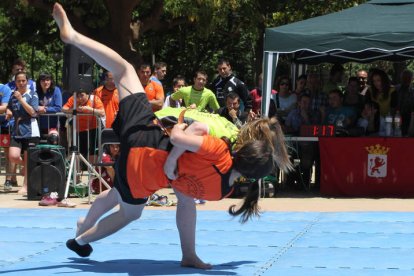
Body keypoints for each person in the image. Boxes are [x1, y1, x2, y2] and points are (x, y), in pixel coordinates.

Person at [52, 2, 292, 269]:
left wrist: (172, 158)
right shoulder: (221, 191)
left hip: (146, 138)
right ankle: (84, 236)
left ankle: (73, 37)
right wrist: (173, 165)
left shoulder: (222, 146)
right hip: (140, 172)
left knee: (124, 70)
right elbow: (185, 191)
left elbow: (185, 135)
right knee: (129, 210)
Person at [6, 72, 40, 195]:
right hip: (17, 129)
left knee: (27, 156)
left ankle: (25, 186)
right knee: (13, 156)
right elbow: (9, 106)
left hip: (30, 129)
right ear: (15, 82)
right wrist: (9, 112)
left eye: (23, 81)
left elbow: (33, 112)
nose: (21, 83)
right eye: (18, 81)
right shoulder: (13, 95)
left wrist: (21, 99)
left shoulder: (33, 94)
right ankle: (26, 166)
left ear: (27, 81)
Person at [62, 89, 105, 165]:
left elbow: (102, 112)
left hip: (93, 129)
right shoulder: (73, 98)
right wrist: (74, 110)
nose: (80, 98)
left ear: (87, 94)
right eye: (78, 96)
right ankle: (77, 175)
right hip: (78, 130)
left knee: (92, 153)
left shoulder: (94, 98)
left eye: (82, 95)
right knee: (77, 153)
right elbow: (64, 109)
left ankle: (92, 173)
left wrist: (90, 110)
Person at [35, 72, 62, 138]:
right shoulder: (36, 92)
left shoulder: (56, 90)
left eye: (48, 80)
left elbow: (58, 108)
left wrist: (45, 109)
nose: (45, 82)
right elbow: (33, 106)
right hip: (38, 125)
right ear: (39, 82)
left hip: (53, 126)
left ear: (51, 81)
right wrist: (37, 108)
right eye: (43, 80)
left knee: (52, 146)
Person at [0, 83, 13, 191]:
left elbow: (5, 107)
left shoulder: (4, 88)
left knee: (8, 153)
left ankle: (8, 180)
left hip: (5, 125)